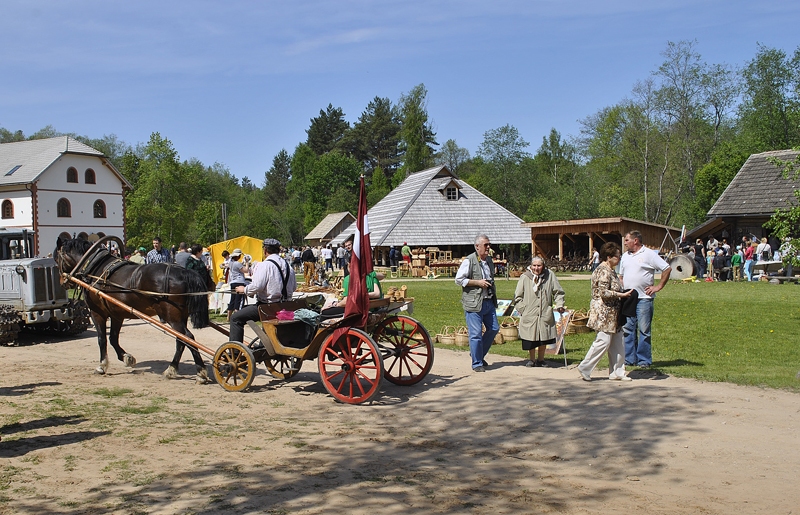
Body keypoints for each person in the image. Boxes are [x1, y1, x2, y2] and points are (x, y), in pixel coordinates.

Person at [578, 242, 634, 381]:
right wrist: (621, 295)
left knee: (617, 342)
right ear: (609, 257)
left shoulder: (611, 270)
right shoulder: (602, 270)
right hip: (603, 311)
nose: (619, 258)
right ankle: (585, 367)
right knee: (603, 341)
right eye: (617, 256)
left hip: (614, 311)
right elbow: (603, 292)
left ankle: (617, 372)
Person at [619, 230, 671, 369]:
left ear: (635, 241)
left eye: (627, 240)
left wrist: (658, 286)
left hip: (644, 298)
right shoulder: (625, 256)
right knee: (628, 329)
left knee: (644, 330)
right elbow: (621, 275)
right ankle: (629, 359)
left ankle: (644, 360)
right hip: (629, 298)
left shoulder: (648, 254)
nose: (625, 243)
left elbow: (666, 268)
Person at [229, 239, 297, 344]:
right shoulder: (288, 266)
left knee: (235, 318)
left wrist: (244, 289)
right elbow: (293, 288)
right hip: (286, 305)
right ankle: (264, 342)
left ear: (265, 250)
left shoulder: (265, 265)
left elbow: (257, 286)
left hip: (267, 307)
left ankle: (235, 352)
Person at [455, 234, 499, 373]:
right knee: (476, 334)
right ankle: (477, 362)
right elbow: (458, 280)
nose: (488, 247)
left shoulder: (489, 260)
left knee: (494, 329)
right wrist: (477, 282)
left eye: (488, 244)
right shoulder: (469, 260)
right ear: (477, 246)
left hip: (488, 301)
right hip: (474, 303)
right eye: (485, 245)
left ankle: (477, 354)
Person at [513, 256, 565, 368]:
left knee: (543, 337)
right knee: (530, 337)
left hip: (544, 312)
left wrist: (559, 305)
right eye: (534, 265)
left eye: (539, 265)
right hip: (530, 313)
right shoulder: (525, 277)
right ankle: (531, 359)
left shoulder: (550, 275)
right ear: (531, 266)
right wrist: (523, 309)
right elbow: (517, 297)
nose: (536, 268)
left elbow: (558, 292)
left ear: (543, 266)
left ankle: (541, 359)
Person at [225, 249, 249, 322]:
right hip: (240, 282)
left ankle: (228, 317)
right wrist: (247, 262)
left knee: (232, 299)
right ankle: (237, 317)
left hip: (233, 282)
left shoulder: (230, 263)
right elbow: (246, 270)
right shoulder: (237, 263)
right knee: (239, 300)